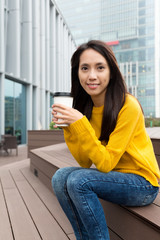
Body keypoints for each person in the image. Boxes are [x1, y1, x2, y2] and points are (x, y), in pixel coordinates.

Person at [51, 40, 160, 240]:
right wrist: (69, 127)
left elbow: (105, 163)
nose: (92, 75)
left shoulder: (128, 105)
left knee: (78, 181)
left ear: (111, 71)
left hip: (143, 185)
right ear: (77, 73)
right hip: (114, 177)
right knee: (60, 177)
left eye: (100, 67)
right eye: (85, 68)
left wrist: (81, 124)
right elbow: (85, 161)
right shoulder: (87, 108)